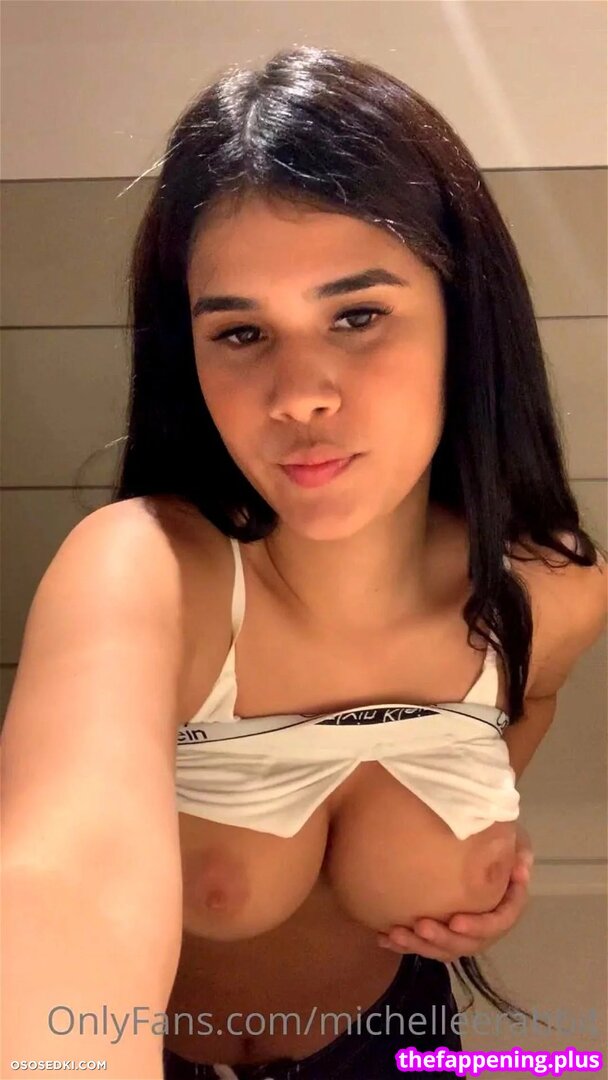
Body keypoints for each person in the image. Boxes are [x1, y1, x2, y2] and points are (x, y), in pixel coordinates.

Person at [2, 45, 606, 1080]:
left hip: (393, 1047)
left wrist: (475, 826)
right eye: (241, 333)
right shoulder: (142, 573)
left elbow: (532, 696)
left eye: (357, 315)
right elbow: (63, 886)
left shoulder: (551, 589)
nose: (299, 395)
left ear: (462, 321)